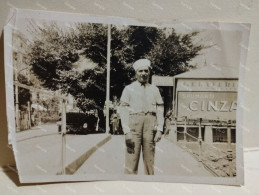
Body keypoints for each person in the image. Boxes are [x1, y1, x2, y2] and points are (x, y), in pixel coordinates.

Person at [120, 59, 164, 175]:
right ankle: (129, 187)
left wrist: (160, 129)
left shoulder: (154, 89)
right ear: (136, 73)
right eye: (141, 71)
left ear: (149, 72)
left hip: (150, 124)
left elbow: (160, 109)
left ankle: (149, 186)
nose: (143, 73)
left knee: (149, 159)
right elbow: (123, 110)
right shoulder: (128, 89)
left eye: (146, 71)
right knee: (131, 158)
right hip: (134, 123)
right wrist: (126, 131)